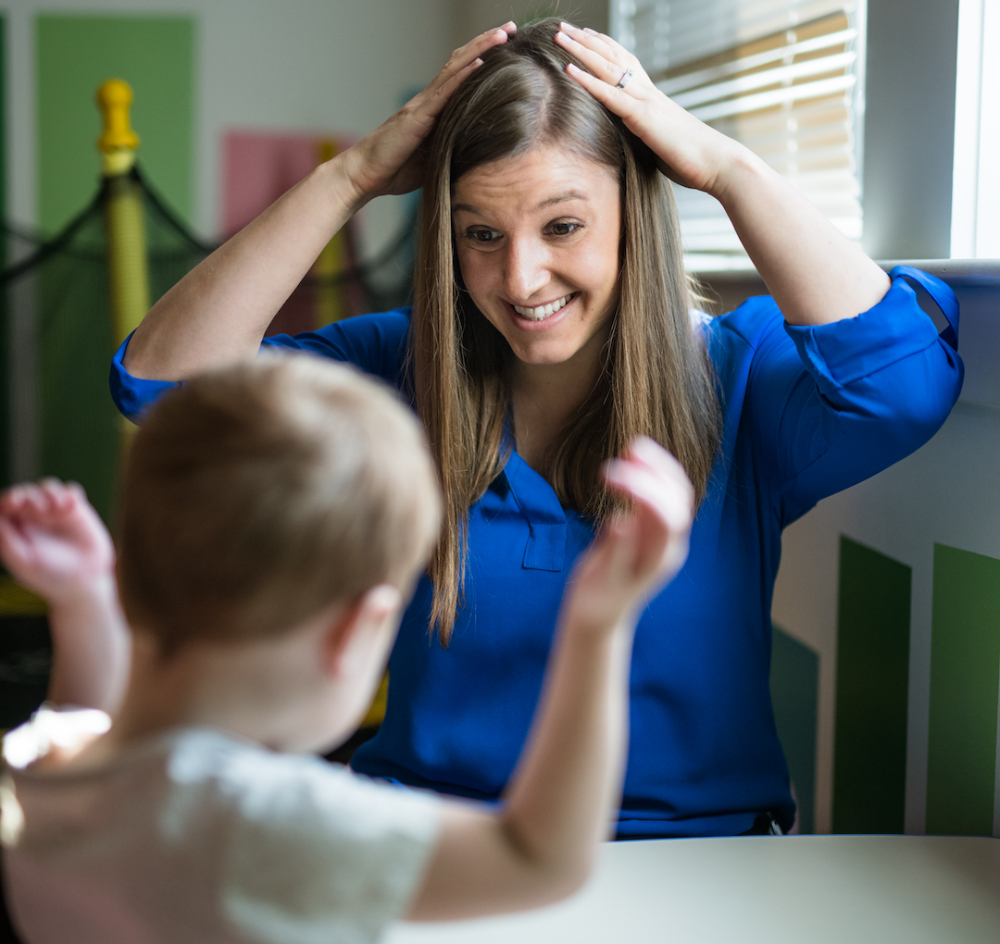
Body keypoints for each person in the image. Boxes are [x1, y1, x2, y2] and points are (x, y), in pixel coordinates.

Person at [109, 20, 964, 837]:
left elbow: (902, 387)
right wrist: (353, 177)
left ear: (634, 214)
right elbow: (164, 389)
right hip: (433, 843)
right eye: (481, 233)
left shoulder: (741, 378)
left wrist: (724, 169)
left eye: (563, 226)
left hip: (693, 856)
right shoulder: (394, 375)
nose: (520, 278)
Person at [0, 355, 695, 943]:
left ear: (131, 575)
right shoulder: (260, 826)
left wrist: (83, 601)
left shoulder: (38, 770)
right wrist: (598, 625)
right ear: (356, 631)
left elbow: (87, 718)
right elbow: (537, 857)